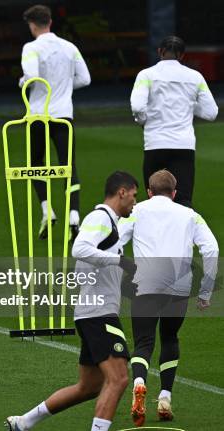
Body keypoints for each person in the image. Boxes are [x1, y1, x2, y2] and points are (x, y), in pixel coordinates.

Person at [6, 171, 139, 431]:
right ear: (121, 192)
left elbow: (87, 266)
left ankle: (23, 422)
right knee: (120, 378)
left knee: (88, 387)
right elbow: (79, 248)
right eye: (134, 196)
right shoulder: (100, 217)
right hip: (98, 314)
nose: (135, 202)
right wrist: (119, 261)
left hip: (92, 312)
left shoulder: (110, 223)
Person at [118, 169, 218, 426]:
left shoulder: (137, 210)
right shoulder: (190, 215)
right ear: (174, 193)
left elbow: (114, 241)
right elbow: (212, 248)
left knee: (143, 342)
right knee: (170, 337)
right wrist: (205, 290)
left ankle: (139, 383)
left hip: (145, 283)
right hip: (179, 287)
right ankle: (165, 398)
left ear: (149, 192)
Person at [19, 4, 91, 241]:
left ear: (32, 25)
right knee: (68, 166)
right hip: (63, 114)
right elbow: (85, 79)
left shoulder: (31, 47)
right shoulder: (70, 47)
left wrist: (23, 82)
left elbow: (30, 76)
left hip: (38, 113)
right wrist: (65, 88)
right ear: (50, 21)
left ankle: (46, 211)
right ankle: (73, 218)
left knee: (35, 164)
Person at [130, 36, 218, 208]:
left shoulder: (146, 75)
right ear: (182, 55)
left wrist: (143, 122)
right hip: (183, 146)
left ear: (159, 52)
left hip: (155, 144)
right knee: (183, 201)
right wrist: (188, 105)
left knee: (154, 202)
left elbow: (138, 107)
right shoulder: (195, 77)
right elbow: (211, 112)